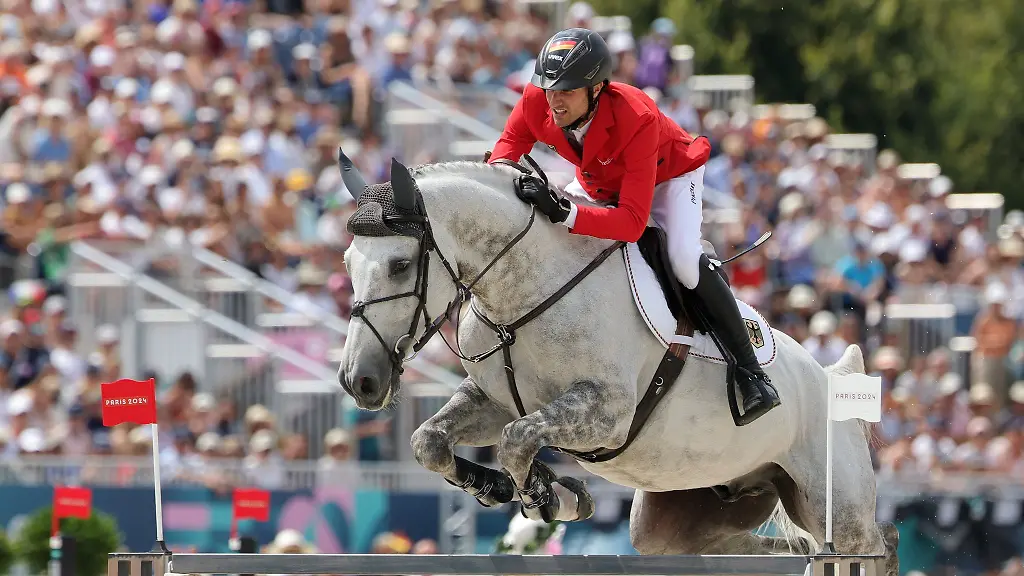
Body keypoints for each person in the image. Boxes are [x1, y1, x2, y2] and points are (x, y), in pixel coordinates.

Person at [486, 28, 780, 424]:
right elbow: (507, 147)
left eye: (567, 90)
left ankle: (752, 373)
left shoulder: (635, 115)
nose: (554, 99)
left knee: (683, 260)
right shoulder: (538, 99)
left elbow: (630, 222)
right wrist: (503, 176)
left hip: (669, 178)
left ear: (596, 89)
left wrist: (566, 212)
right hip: (599, 180)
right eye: (550, 87)